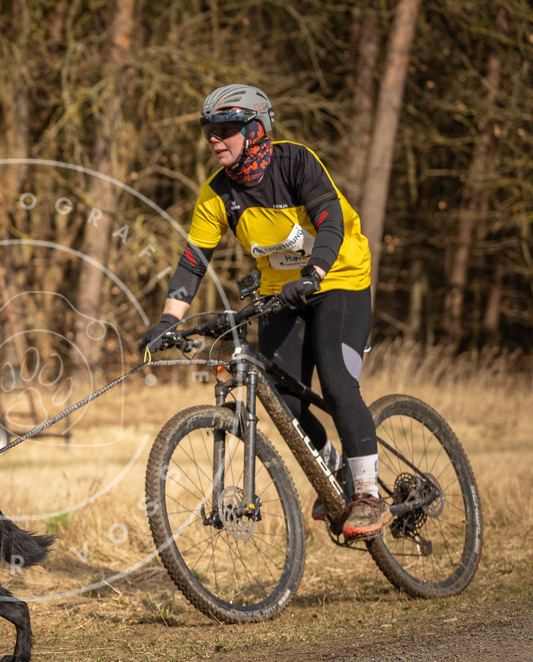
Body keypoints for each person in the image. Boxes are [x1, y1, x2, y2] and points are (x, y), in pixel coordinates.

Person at [139, 83, 390, 540]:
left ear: (255, 129)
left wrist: (314, 272)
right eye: (208, 130)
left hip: (339, 279)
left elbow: (330, 221)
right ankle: (335, 472)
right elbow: (194, 260)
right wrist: (169, 321)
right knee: (285, 403)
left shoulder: (295, 161)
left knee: (335, 382)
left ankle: (369, 495)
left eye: (225, 129)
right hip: (280, 294)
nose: (214, 139)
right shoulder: (217, 193)